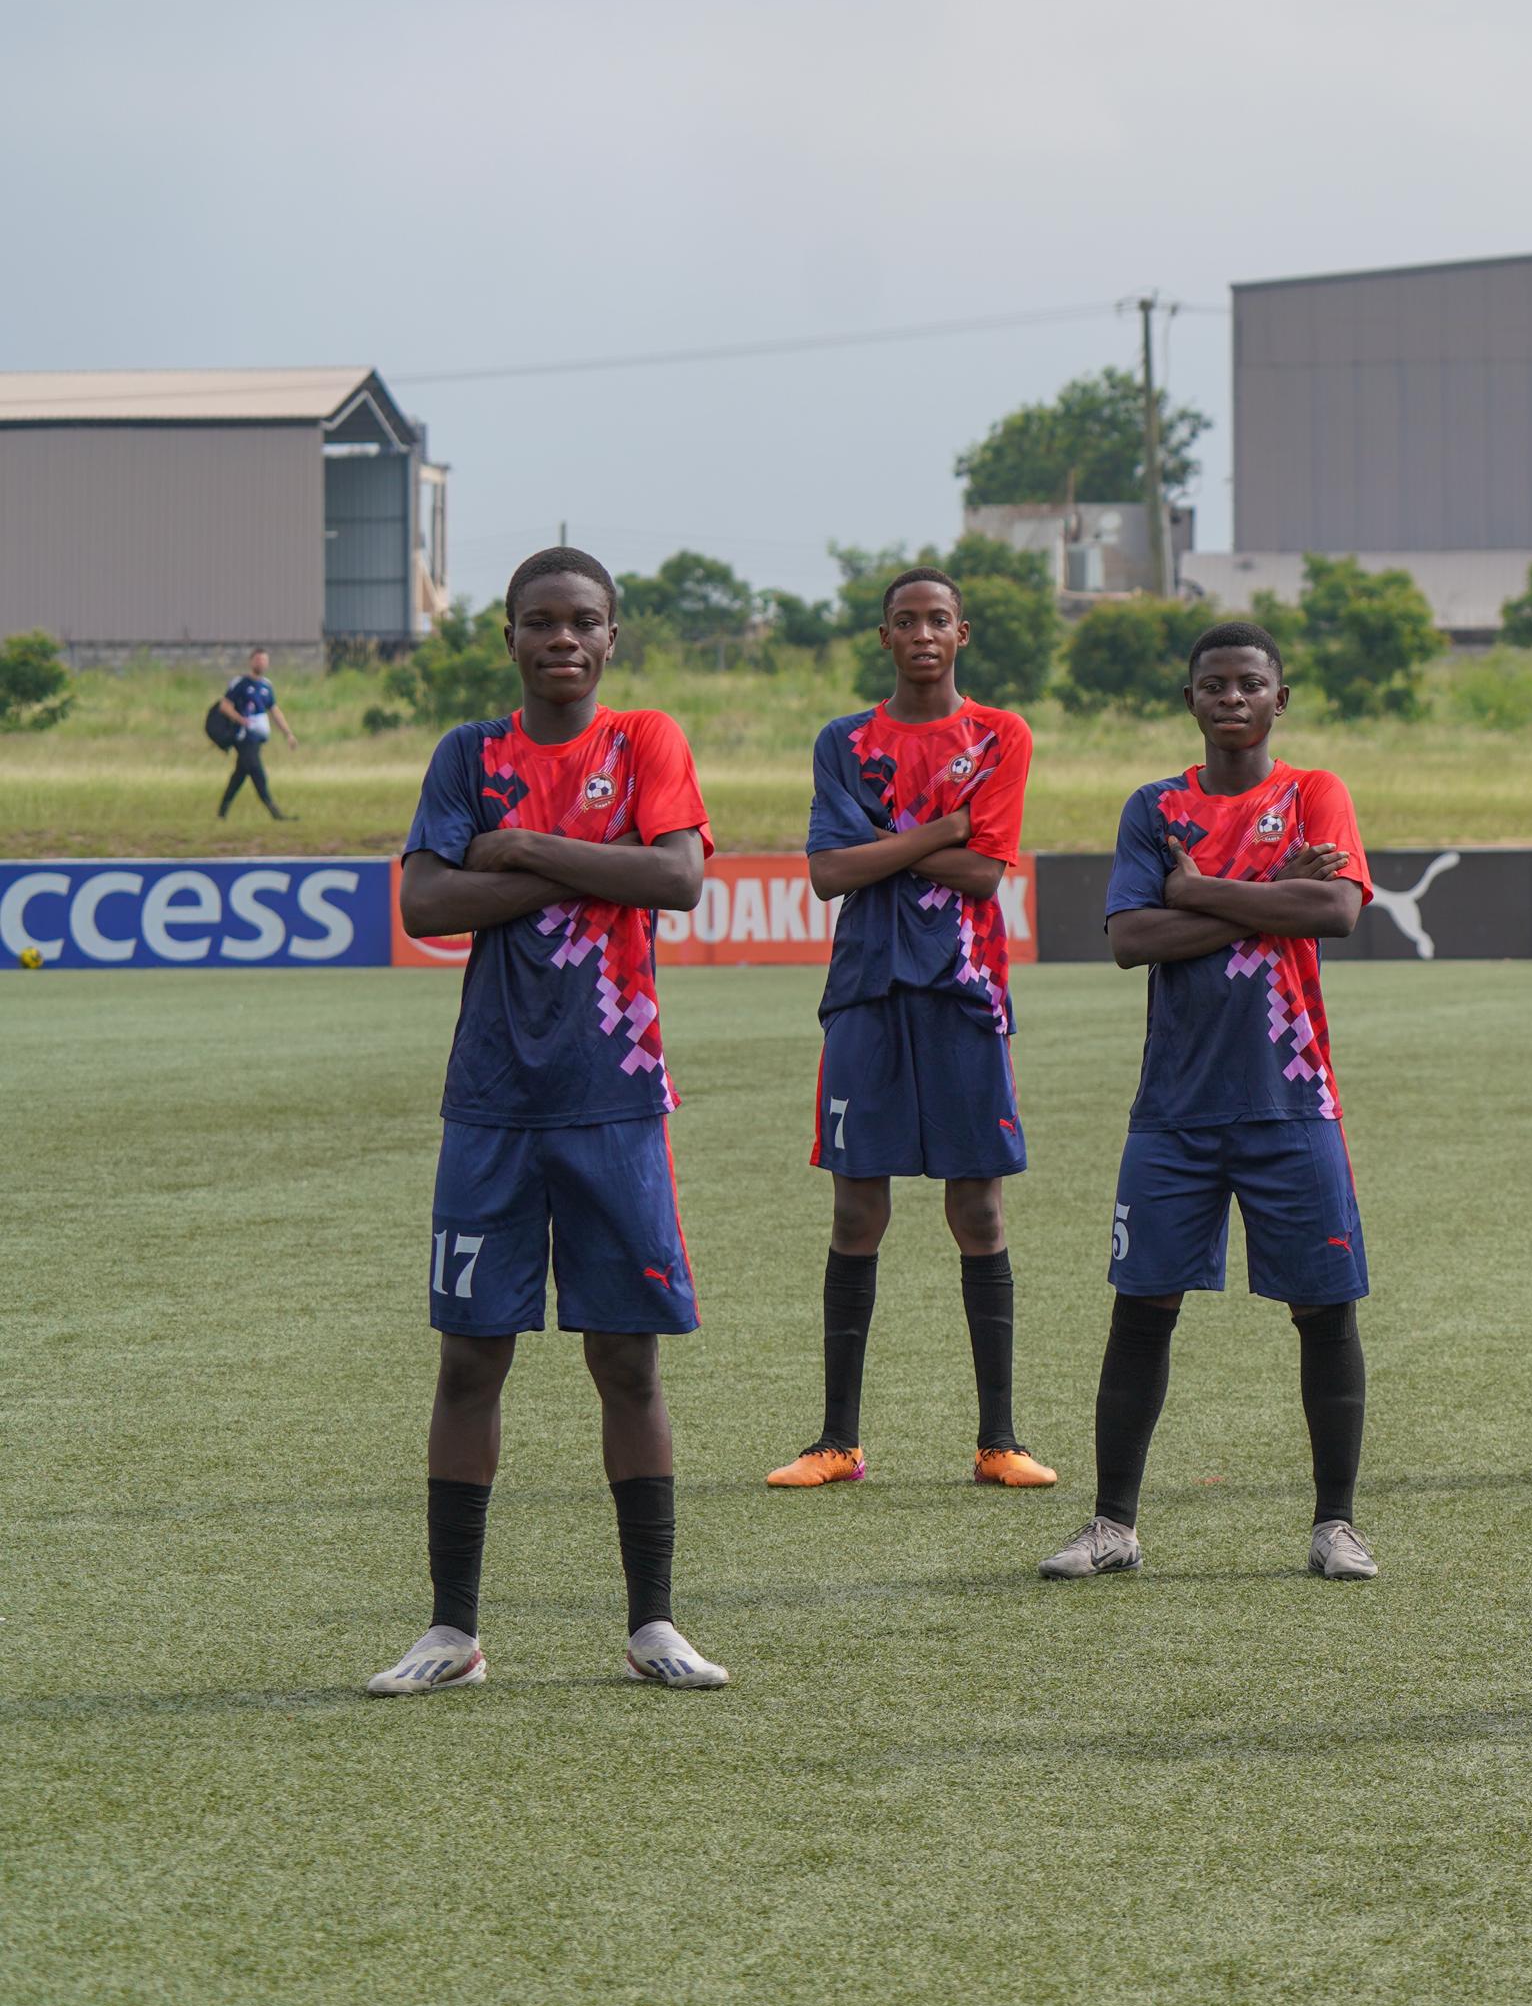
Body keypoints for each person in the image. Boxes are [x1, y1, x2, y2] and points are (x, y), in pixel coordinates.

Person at [365, 549, 723, 1697]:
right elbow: (425, 903)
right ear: (508, 636)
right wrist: (593, 869)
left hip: (615, 1098)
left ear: (612, 638)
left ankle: (653, 1625)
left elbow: (673, 881)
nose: (561, 639)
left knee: (626, 1361)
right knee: (471, 1361)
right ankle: (452, 1634)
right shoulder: (469, 754)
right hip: (493, 1104)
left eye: (583, 622)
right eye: (539, 622)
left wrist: (516, 849)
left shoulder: (645, 742)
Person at [1041, 623, 1381, 1584]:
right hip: (1176, 1109)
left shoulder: (1315, 794)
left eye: (1251, 683)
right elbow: (1131, 935)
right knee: (1140, 1306)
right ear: (1189, 699)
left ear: (1282, 697)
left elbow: (1337, 912)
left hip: (1293, 1099)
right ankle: (1113, 1525)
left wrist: (1206, 890)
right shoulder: (1154, 808)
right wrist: (1265, 892)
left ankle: (1335, 1525)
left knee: (1325, 1309)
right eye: (1214, 684)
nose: (1232, 697)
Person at [767, 566, 1054, 1494]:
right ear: (884, 636)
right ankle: (837, 1441)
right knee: (857, 1209)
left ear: (962, 634)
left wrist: (888, 846)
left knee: (977, 1210)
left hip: (967, 993)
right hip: (864, 992)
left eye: (938, 619)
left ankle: (998, 1440)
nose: (922, 633)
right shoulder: (844, 740)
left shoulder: (1001, 734)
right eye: (905, 620)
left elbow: (983, 875)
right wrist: (944, 827)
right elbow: (826, 872)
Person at [211, 648, 294, 820]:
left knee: (239, 775)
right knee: (257, 772)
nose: (261, 663)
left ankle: (222, 812)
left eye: (264, 660)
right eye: (258, 660)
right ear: (251, 661)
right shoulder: (240, 683)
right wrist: (241, 719)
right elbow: (224, 706)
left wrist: (288, 733)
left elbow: (274, 711)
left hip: (257, 738)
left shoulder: (266, 686)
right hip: (243, 736)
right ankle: (275, 812)